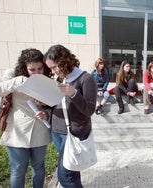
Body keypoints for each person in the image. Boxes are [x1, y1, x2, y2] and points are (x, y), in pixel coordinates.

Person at [0, 48, 52, 188]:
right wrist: (17, 80)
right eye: (32, 70)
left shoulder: (46, 78)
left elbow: (52, 104)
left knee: (39, 167)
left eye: (40, 69)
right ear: (24, 67)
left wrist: (46, 112)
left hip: (39, 129)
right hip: (17, 130)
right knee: (18, 170)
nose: (37, 73)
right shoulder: (12, 74)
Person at [44, 44, 97, 187]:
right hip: (57, 131)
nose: (53, 71)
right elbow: (55, 104)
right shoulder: (59, 79)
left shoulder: (86, 79)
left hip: (72, 133)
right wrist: (46, 113)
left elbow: (89, 110)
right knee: (72, 171)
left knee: (64, 176)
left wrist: (73, 93)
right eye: (50, 68)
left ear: (64, 61)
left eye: (54, 67)